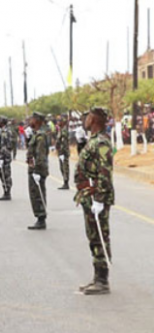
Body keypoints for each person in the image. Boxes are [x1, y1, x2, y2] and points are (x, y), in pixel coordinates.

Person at [74, 107, 114, 295]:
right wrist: (81, 143)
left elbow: (104, 171)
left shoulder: (102, 142)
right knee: (93, 237)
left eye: (88, 116)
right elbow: (88, 163)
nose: (85, 120)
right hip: (88, 195)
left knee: (99, 236)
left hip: (96, 195)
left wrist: (99, 198)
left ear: (95, 119)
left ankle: (102, 280)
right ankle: (97, 277)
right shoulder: (93, 141)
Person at [26, 112, 49, 230]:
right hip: (34, 169)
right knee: (34, 194)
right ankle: (39, 217)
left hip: (37, 170)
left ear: (38, 121)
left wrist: (36, 170)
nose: (30, 120)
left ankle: (41, 218)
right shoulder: (35, 135)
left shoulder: (40, 136)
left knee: (37, 194)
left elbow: (40, 155)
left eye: (32, 119)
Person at [0, 117, 14, 201]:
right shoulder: (2, 131)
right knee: (2, 174)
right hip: (2, 155)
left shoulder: (5, 132)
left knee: (5, 174)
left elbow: (8, 145)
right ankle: (6, 191)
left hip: (4, 156)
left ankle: (7, 192)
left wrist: (1, 155)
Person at [56, 115, 71, 190]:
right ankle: (65, 182)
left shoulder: (64, 130)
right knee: (62, 167)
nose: (58, 122)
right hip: (61, 152)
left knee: (65, 168)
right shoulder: (61, 129)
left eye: (59, 121)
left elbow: (64, 142)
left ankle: (66, 183)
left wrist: (62, 152)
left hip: (63, 152)